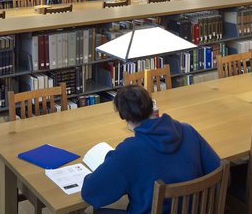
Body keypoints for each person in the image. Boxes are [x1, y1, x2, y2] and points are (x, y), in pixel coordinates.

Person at [81, 85, 220, 214]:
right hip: (197, 210)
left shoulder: (128, 151)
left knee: (93, 211)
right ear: (151, 105)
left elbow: (90, 193)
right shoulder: (187, 130)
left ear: (124, 116)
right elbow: (219, 173)